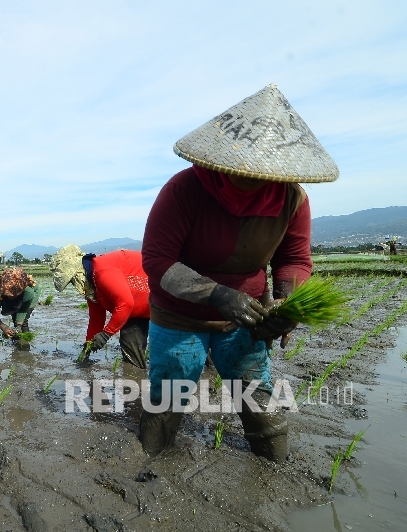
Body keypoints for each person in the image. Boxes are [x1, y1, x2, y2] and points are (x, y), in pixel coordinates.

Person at [140, 84, 339, 462]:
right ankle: (150, 460)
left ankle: (272, 464)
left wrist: (285, 304)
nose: (253, 177)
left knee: (257, 395)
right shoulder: (184, 190)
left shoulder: (292, 199)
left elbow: (294, 259)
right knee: (169, 393)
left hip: (247, 316)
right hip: (181, 314)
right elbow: (157, 260)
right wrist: (218, 295)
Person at [50, 245, 151, 368]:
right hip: (137, 312)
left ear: (78, 273)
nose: (74, 285)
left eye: (72, 281)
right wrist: (87, 348)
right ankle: (137, 382)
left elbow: (125, 304)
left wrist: (105, 334)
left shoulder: (102, 270)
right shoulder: (92, 287)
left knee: (168, 351)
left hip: (165, 300)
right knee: (132, 358)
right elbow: (96, 320)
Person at [0, 267, 39, 345]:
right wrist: (3, 327)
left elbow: (23, 311)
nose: (11, 297)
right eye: (8, 295)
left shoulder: (29, 293)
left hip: (28, 295)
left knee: (24, 321)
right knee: (15, 318)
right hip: (15, 293)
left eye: (13, 295)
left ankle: (25, 344)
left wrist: (19, 325)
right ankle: (17, 342)